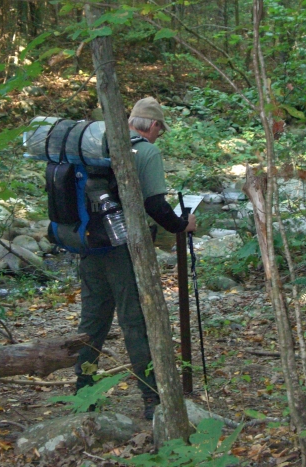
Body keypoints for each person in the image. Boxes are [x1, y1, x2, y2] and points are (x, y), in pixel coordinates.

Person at [74, 97, 197, 420]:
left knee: (92, 322)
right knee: (134, 323)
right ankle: (151, 398)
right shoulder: (146, 151)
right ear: (153, 125)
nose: (159, 136)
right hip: (122, 250)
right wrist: (182, 226)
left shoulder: (97, 146)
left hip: (88, 244)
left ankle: (83, 392)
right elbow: (155, 205)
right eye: (160, 130)